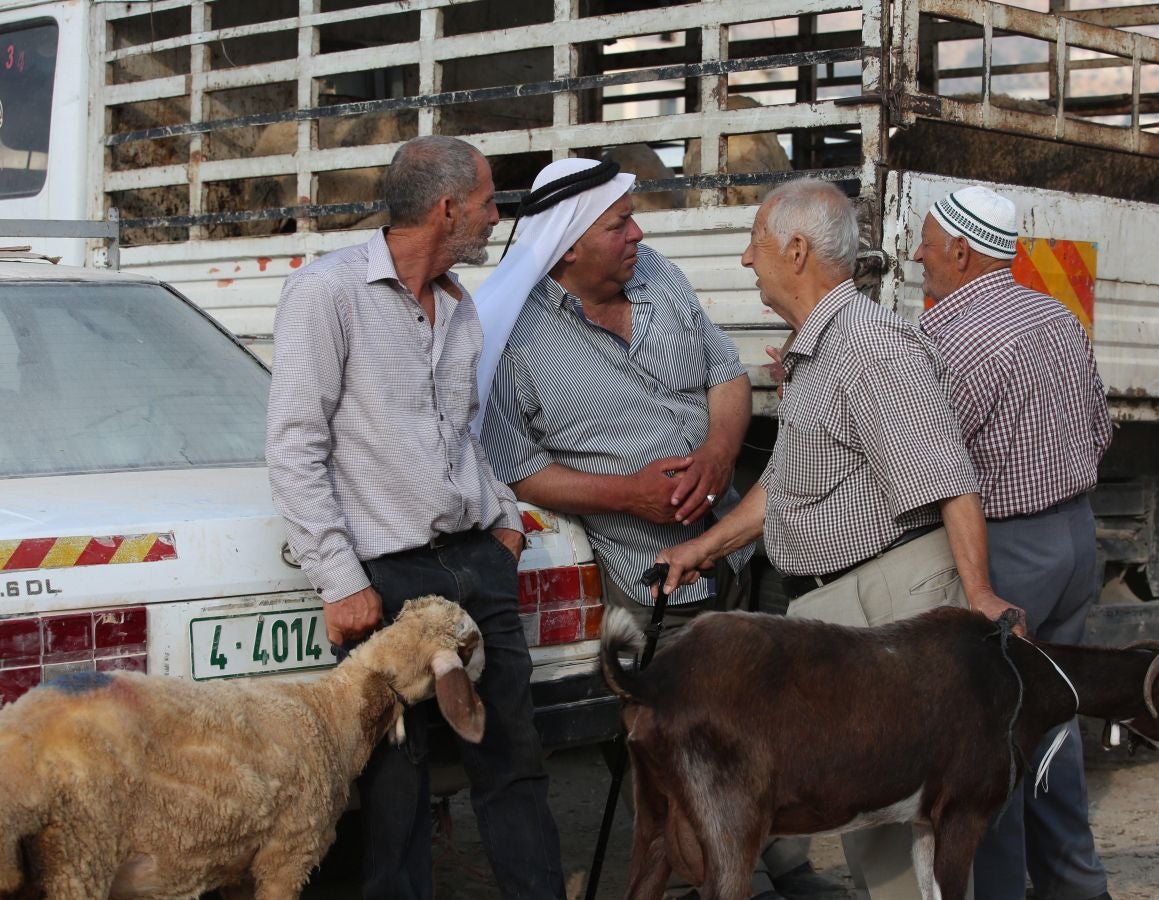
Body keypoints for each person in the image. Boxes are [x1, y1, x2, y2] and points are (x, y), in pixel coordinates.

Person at [478, 157, 847, 900]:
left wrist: (717, 452)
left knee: (771, 719)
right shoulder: (512, 340)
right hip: (651, 578)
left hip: (738, 542)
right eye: (619, 225)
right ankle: (707, 877)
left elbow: (727, 375)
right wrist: (628, 495)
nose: (637, 234)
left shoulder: (658, 276)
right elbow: (515, 468)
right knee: (696, 743)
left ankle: (778, 867)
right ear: (569, 245)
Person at [656, 177, 1023, 900]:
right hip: (837, 608)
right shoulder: (819, 348)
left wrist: (977, 594)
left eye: (754, 242)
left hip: (889, 598)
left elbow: (951, 481)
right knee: (867, 826)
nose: (743, 260)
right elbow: (789, 484)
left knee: (907, 842)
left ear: (795, 250)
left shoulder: (871, 349)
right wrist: (702, 549)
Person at [265, 135, 563, 900]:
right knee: (396, 784)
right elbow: (295, 446)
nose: (498, 217)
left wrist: (503, 519)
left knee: (513, 757)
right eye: (491, 201)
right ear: (447, 207)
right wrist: (339, 579)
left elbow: (459, 430)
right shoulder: (326, 293)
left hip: (475, 560)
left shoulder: (460, 307)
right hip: (385, 574)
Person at [913, 186, 1114, 900]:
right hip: (1074, 539)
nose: (917, 255)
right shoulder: (1056, 314)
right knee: (1054, 728)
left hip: (1010, 553)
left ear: (962, 253)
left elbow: (931, 465)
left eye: (928, 244)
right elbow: (1100, 429)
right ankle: (1077, 888)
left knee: (987, 749)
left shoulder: (950, 340)